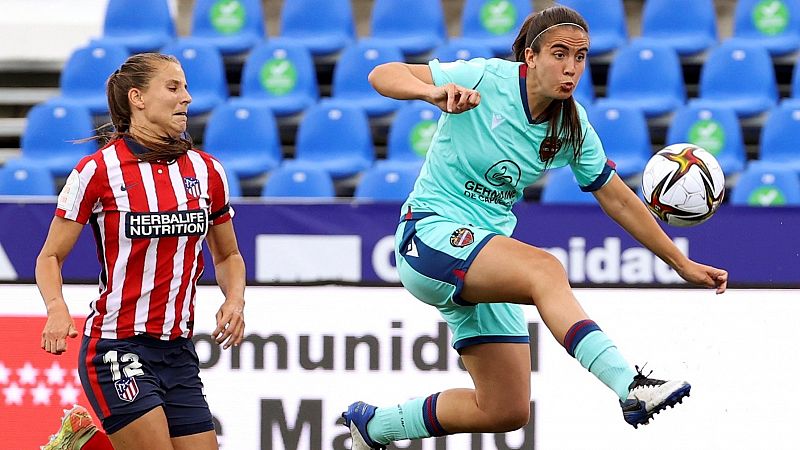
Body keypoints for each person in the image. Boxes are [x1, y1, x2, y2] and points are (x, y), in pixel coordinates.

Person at [341, 6, 728, 449]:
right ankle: (630, 385)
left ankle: (373, 427)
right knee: (544, 269)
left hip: (481, 256)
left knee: (505, 409)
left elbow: (620, 199)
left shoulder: (573, 127)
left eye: (580, 57)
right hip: (428, 234)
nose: (571, 68)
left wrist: (680, 263)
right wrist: (429, 93)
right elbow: (381, 74)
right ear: (530, 56)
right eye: (559, 54)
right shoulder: (485, 78)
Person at [37, 52, 246, 450]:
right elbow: (49, 257)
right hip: (116, 346)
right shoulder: (97, 171)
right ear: (138, 98)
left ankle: (84, 445)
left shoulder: (208, 171)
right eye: (173, 87)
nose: (186, 97)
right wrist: (56, 307)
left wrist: (235, 299)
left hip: (179, 351)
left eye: (185, 87)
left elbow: (228, 255)